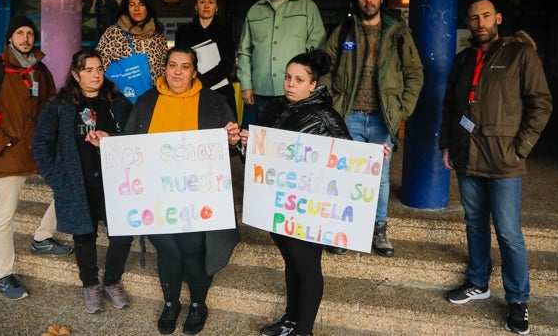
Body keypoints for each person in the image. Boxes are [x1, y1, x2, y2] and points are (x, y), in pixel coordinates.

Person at [238, 49, 390, 336]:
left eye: (298, 79)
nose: (290, 84)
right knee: (292, 264)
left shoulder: (325, 116)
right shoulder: (273, 110)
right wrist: (244, 144)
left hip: (308, 213)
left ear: (313, 85)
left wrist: (372, 156)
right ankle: (290, 321)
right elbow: (256, 161)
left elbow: (350, 161)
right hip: (279, 206)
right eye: (287, 77)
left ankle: (303, 331)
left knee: (307, 269)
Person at [439, 0, 552, 335]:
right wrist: (447, 144)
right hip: (467, 154)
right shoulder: (462, 60)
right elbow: (450, 106)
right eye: (473, 18)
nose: (480, 23)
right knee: (474, 222)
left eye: (486, 16)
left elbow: (541, 104)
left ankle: (518, 300)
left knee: (508, 231)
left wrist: (523, 146)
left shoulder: (520, 55)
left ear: (498, 19)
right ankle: (478, 281)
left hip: (505, 159)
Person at [123, 47, 241, 335]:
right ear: (164, 68)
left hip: (197, 197)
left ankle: (198, 304)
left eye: (185, 66)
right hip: (155, 196)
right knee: (168, 251)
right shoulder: (147, 101)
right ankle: (171, 303)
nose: (177, 71)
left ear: (194, 71)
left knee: (192, 250)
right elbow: (128, 147)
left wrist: (231, 142)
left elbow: (228, 152)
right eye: (172, 65)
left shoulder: (214, 103)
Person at [0, 15, 72, 301]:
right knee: (4, 217)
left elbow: (52, 109)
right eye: (20, 33)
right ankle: (4, 274)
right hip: (8, 153)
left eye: (30, 33)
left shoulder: (41, 70)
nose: (26, 38)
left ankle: (42, 237)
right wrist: (3, 140)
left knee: (69, 185)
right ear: (10, 38)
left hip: (38, 151)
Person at [321, 0, 424, 256]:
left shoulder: (397, 33)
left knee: (380, 177)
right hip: (349, 116)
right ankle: (344, 230)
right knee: (345, 176)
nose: (368, 0)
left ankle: (379, 229)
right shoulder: (344, 31)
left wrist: (402, 110)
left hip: (382, 119)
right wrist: (335, 100)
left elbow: (415, 73)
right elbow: (324, 68)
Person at [32, 50, 134, 314]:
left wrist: (110, 139)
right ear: (76, 75)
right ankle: (90, 284)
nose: (96, 74)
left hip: (116, 183)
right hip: (79, 184)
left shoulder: (117, 102)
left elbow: (135, 139)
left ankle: (112, 282)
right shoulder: (60, 106)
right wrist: (59, 180)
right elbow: (41, 147)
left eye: (99, 68)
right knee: (84, 236)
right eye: (88, 70)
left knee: (122, 235)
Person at [236, 0, 326, 127]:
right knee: (255, 146)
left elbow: (317, 51)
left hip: (296, 95)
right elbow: (244, 51)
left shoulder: (307, 7)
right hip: (259, 94)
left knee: (290, 146)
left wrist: (308, 87)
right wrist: (246, 85)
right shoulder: (255, 10)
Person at [175, 0, 237, 117]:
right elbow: (179, 60)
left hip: (220, 90)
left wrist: (203, 80)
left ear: (216, 8)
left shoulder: (225, 32)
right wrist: (194, 81)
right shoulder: (183, 31)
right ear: (196, 7)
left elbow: (227, 63)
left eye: (211, 2)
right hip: (191, 89)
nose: (206, 5)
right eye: (202, 2)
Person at [96, 0, 168, 90]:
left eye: (141, 4)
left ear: (148, 8)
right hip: (122, 97)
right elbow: (100, 66)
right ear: (127, 8)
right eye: (132, 5)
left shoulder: (158, 38)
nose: (136, 8)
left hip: (152, 98)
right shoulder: (114, 33)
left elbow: (163, 71)